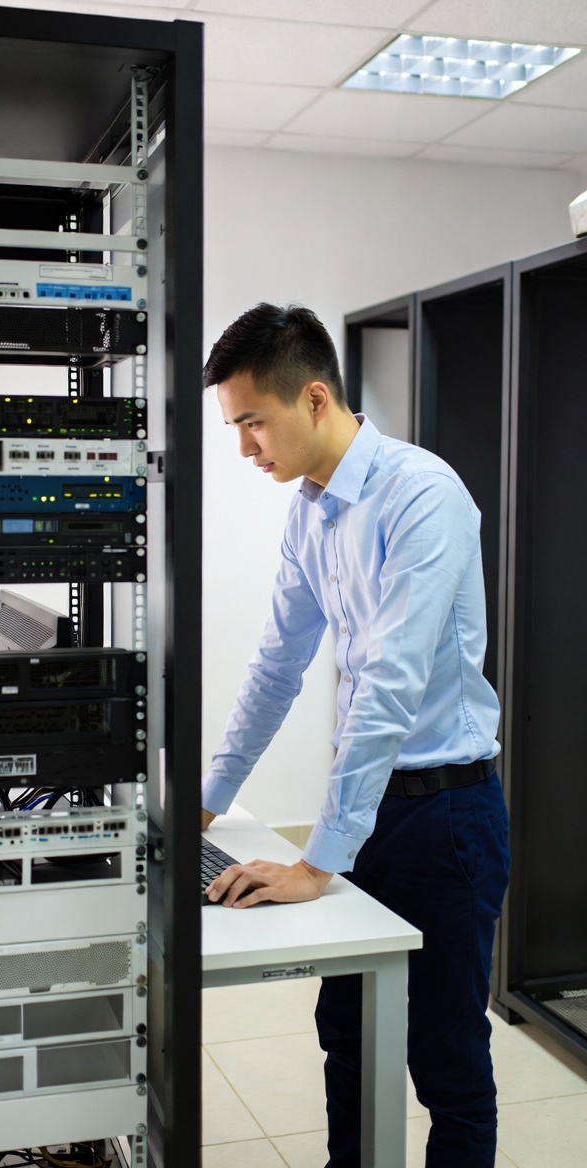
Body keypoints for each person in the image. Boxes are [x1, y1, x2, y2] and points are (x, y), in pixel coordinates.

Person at [200, 302, 511, 1168]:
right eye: (235, 427)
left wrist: (316, 861)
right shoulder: (311, 510)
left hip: (448, 817)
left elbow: (389, 687)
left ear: (313, 399)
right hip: (373, 812)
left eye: (252, 422)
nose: (245, 448)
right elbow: (276, 667)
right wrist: (207, 802)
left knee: (446, 1061)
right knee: (348, 1032)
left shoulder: (422, 494)